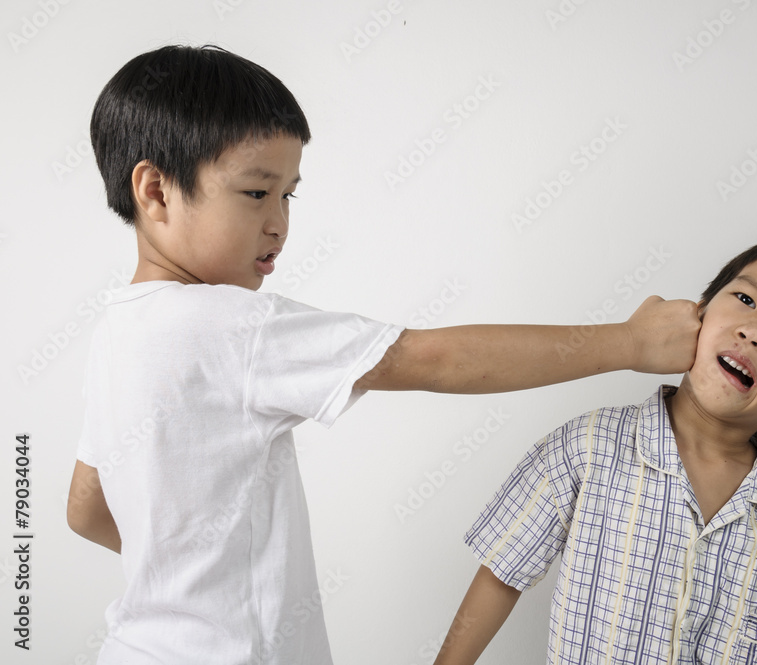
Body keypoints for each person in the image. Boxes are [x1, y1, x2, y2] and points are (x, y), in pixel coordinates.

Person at [65, 45, 701, 664]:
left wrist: (183, 565)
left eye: (289, 194)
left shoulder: (117, 335)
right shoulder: (233, 323)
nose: (280, 223)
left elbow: (86, 508)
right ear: (154, 190)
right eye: (257, 193)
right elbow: (432, 359)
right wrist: (629, 341)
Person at [433, 234, 757, 665]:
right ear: (698, 314)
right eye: (746, 300)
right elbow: (502, 572)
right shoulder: (588, 448)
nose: (756, 331)